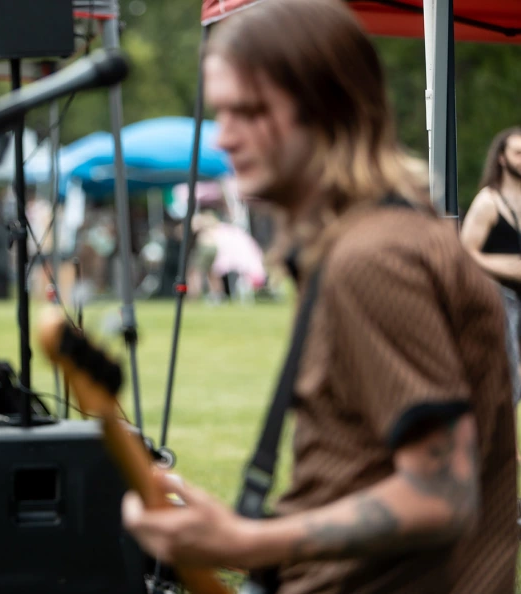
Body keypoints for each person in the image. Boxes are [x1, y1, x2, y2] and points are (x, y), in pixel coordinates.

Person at [121, 2, 517, 593]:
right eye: (221, 112)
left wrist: (246, 541)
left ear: (332, 110)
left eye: (250, 112)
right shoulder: (373, 236)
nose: (225, 137)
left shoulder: (374, 259)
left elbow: (440, 493)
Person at [460, 126, 521, 406]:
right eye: (518, 153)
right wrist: (508, 266)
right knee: (509, 378)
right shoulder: (489, 202)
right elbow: (464, 252)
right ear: (502, 158)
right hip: (502, 300)